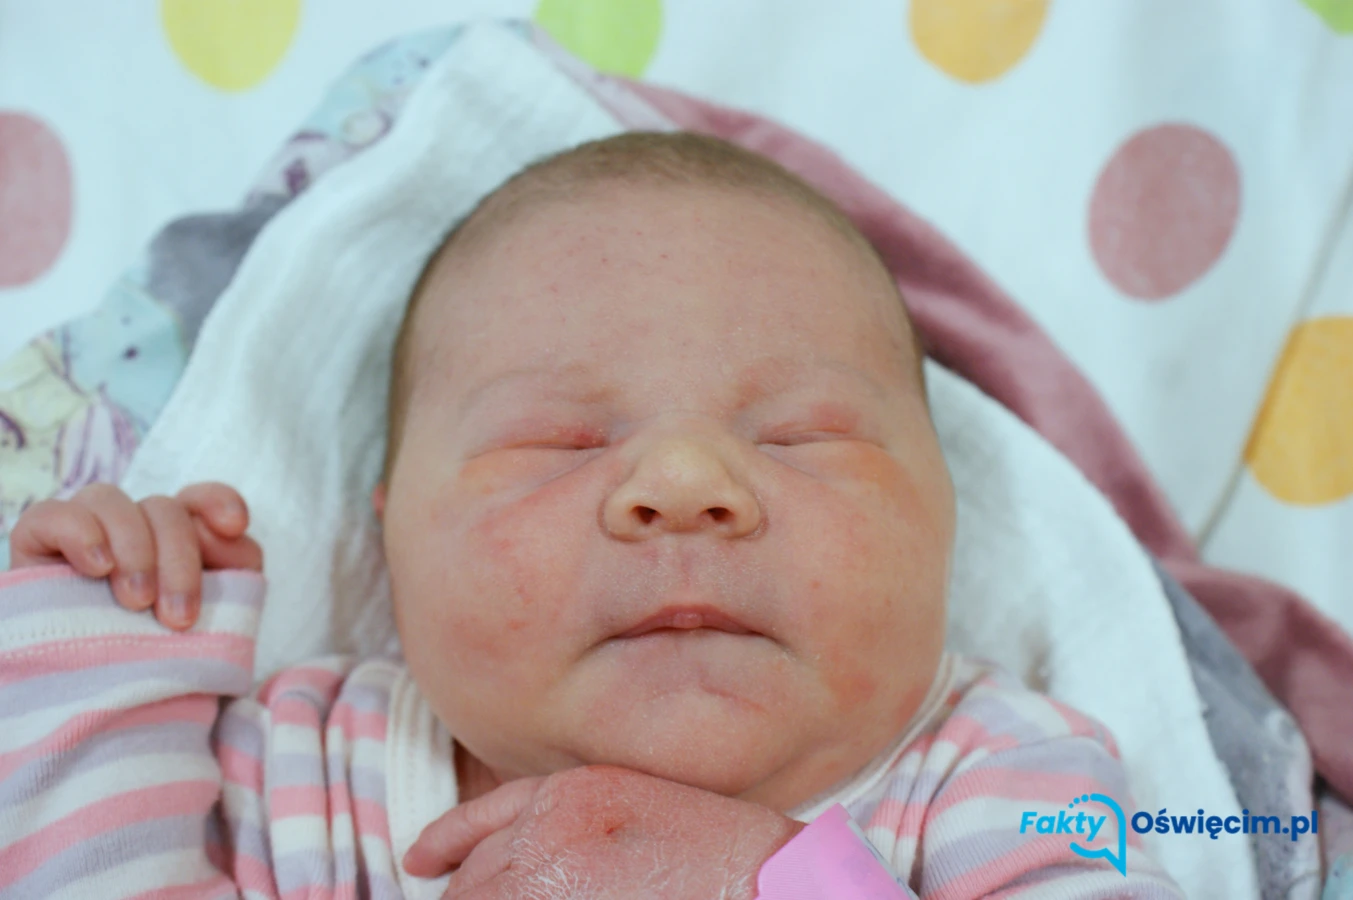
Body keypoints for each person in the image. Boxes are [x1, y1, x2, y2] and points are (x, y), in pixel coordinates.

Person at [0, 132, 1184, 898]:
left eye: (799, 436)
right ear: (392, 542)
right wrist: (95, 665)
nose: (683, 482)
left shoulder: (1009, 774)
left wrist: (776, 882)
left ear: (946, 523)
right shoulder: (303, 770)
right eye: (558, 442)